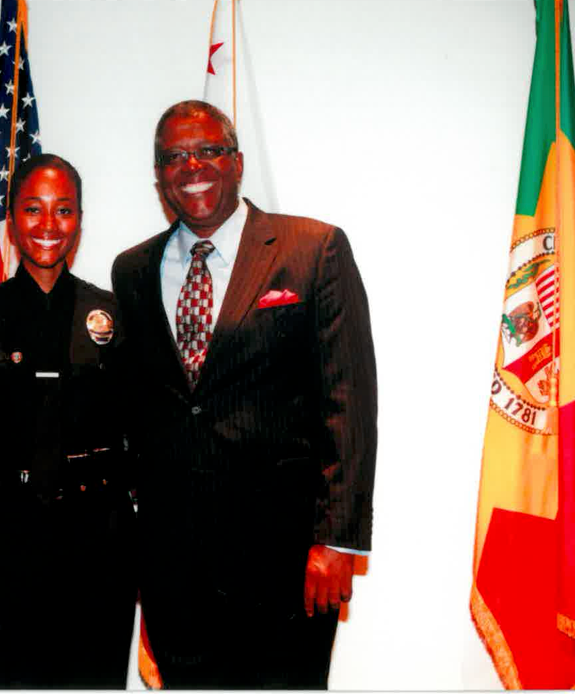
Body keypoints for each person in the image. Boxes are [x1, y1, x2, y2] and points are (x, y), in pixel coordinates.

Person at [111, 100, 377, 689]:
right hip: (174, 567)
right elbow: (137, 407)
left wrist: (336, 539)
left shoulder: (312, 250)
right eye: (174, 157)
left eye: (207, 150)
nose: (193, 166)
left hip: (285, 563)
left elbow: (349, 401)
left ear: (235, 160)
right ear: (159, 176)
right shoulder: (131, 271)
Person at [0, 154, 137, 688]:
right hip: (8, 536)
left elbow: (141, 424)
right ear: (11, 220)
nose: (48, 225)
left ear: (79, 219)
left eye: (64, 210)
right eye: (33, 209)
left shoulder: (112, 316)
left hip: (99, 536)